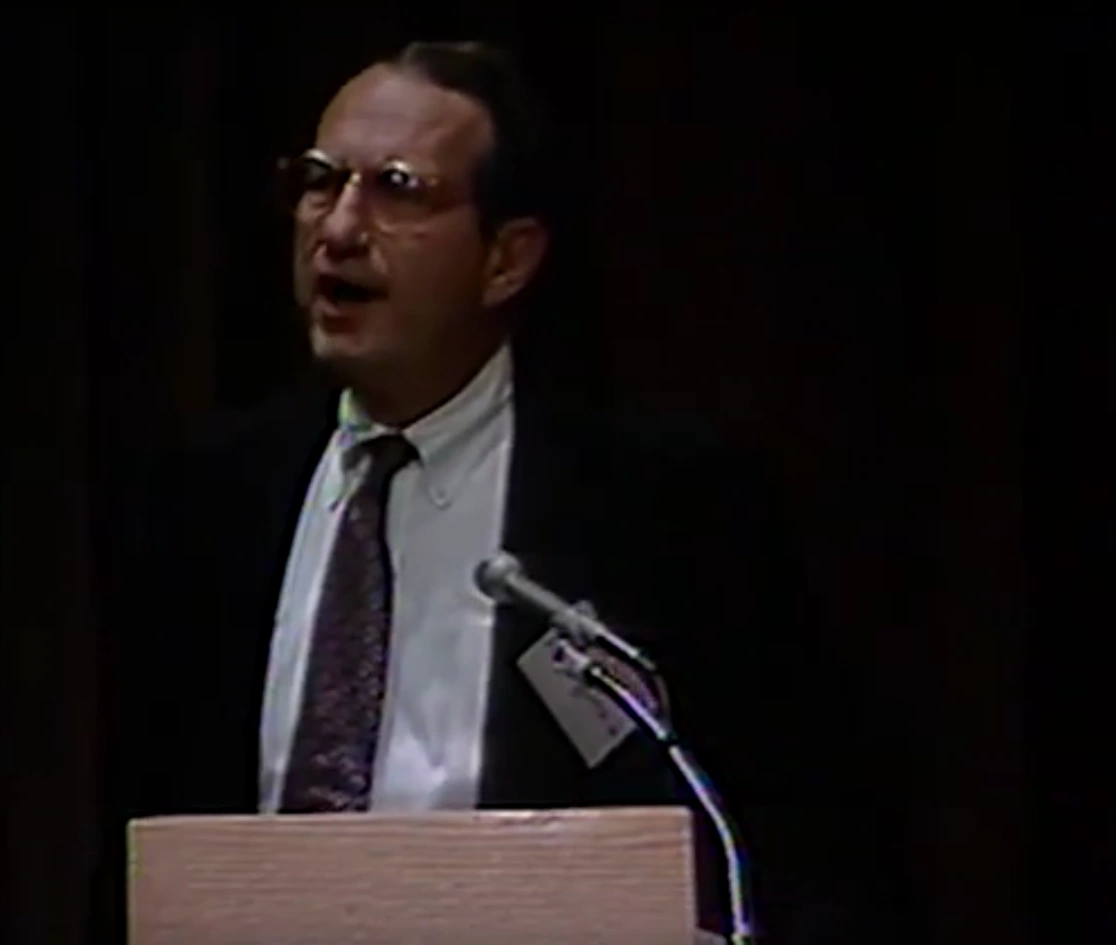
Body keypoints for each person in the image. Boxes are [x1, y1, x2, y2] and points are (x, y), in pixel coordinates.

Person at [92, 41, 910, 944]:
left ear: (506, 260)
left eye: (398, 190)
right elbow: (135, 850)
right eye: (321, 182)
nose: (337, 229)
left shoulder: (670, 511)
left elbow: (806, 840)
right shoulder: (202, 500)